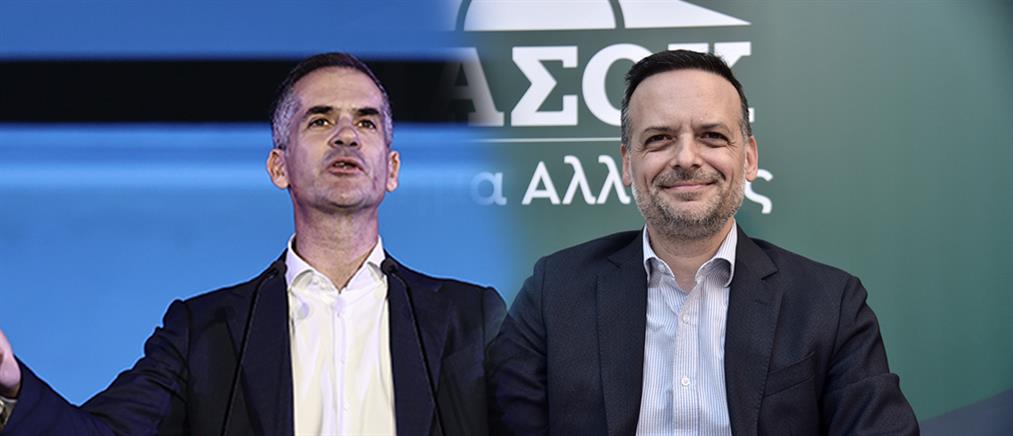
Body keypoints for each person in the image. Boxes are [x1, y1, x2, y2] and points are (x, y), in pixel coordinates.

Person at [0, 52, 505, 436]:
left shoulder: (472, 321)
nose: (346, 136)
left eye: (366, 121)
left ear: (391, 169)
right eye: (320, 120)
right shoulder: (204, 333)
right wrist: (11, 386)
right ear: (278, 167)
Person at [486, 50, 918, 435]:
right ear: (627, 163)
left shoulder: (830, 303)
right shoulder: (554, 293)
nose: (686, 158)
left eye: (712, 136)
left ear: (749, 158)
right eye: (659, 138)